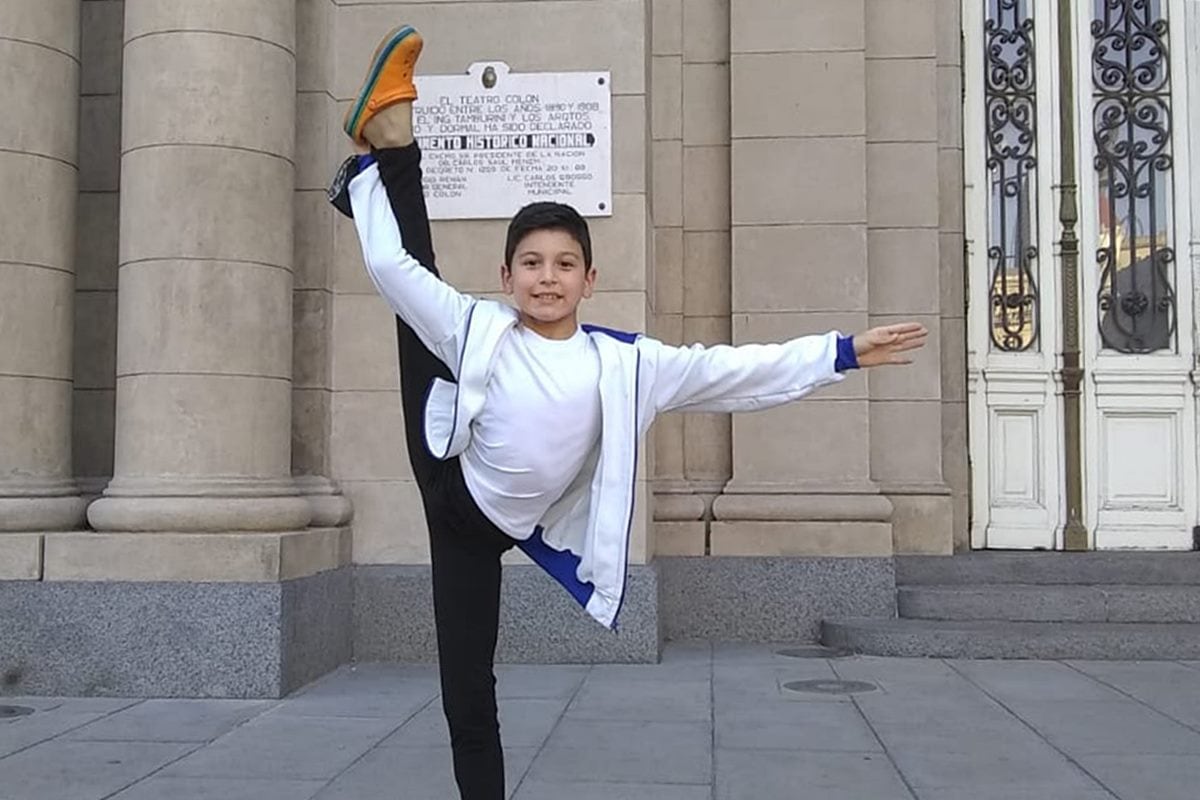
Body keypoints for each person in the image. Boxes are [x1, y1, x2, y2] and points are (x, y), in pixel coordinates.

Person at [328, 24, 928, 800]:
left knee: (471, 689)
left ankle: (382, 153)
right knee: (417, 292)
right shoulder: (476, 324)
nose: (548, 279)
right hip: (450, 486)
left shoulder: (627, 364)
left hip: (502, 529)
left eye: (564, 265)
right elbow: (387, 266)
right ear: (506, 275)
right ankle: (390, 140)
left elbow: (731, 374)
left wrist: (841, 352)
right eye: (532, 265)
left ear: (589, 279)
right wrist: (372, 196)